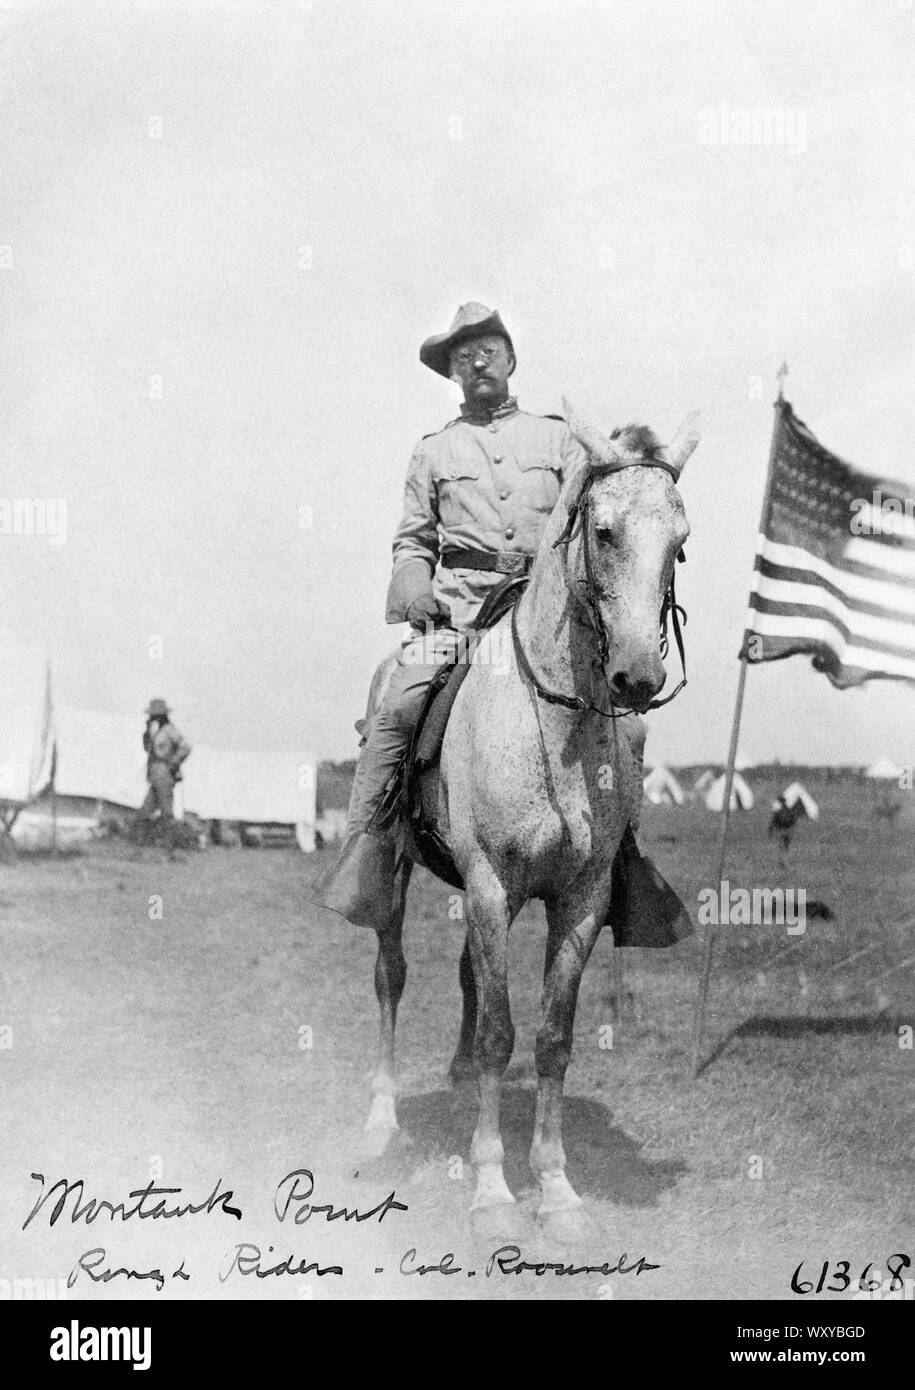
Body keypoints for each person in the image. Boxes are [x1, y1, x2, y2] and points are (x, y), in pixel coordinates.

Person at [319, 301, 645, 930]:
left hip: (545, 622)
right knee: (399, 704)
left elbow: (605, 498)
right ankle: (369, 849)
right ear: (453, 375)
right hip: (462, 621)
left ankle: (622, 864)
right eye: (462, 357)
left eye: (487, 350)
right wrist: (415, 589)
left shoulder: (557, 439)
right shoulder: (435, 452)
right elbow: (413, 540)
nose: (476, 362)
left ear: (511, 359)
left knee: (627, 728)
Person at [136, 698, 191, 849]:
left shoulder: (169, 730)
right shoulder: (156, 732)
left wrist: (174, 762)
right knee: (144, 812)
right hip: (154, 774)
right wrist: (147, 731)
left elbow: (185, 747)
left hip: (164, 772)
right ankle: (143, 845)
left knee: (167, 812)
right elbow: (147, 749)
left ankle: (170, 846)